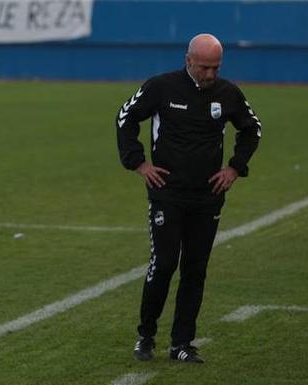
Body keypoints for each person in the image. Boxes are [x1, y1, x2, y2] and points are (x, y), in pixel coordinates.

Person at [115, 33, 261, 363]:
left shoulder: (228, 93)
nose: (210, 74)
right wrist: (139, 163)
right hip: (166, 193)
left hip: (208, 196)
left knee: (195, 269)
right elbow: (124, 119)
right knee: (164, 263)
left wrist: (235, 169)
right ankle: (146, 335)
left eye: (216, 68)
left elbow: (252, 129)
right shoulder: (161, 87)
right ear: (188, 61)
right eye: (204, 67)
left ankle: (182, 343)